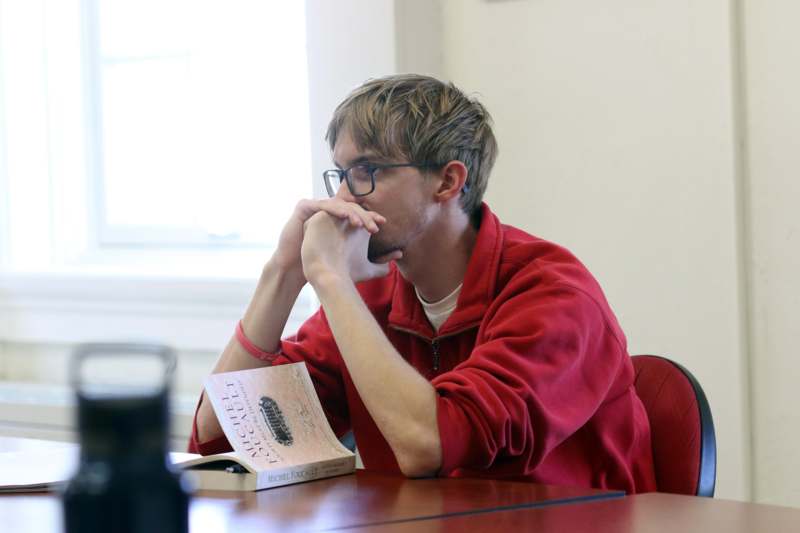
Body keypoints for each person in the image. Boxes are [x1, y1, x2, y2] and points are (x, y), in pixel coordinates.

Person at [190, 74, 656, 493]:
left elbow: (428, 444)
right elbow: (220, 440)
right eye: (342, 172)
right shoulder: (372, 297)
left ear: (447, 182)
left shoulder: (553, 295)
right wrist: (285, 272)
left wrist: (331, 279)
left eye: (367, 171)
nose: (343, 197)